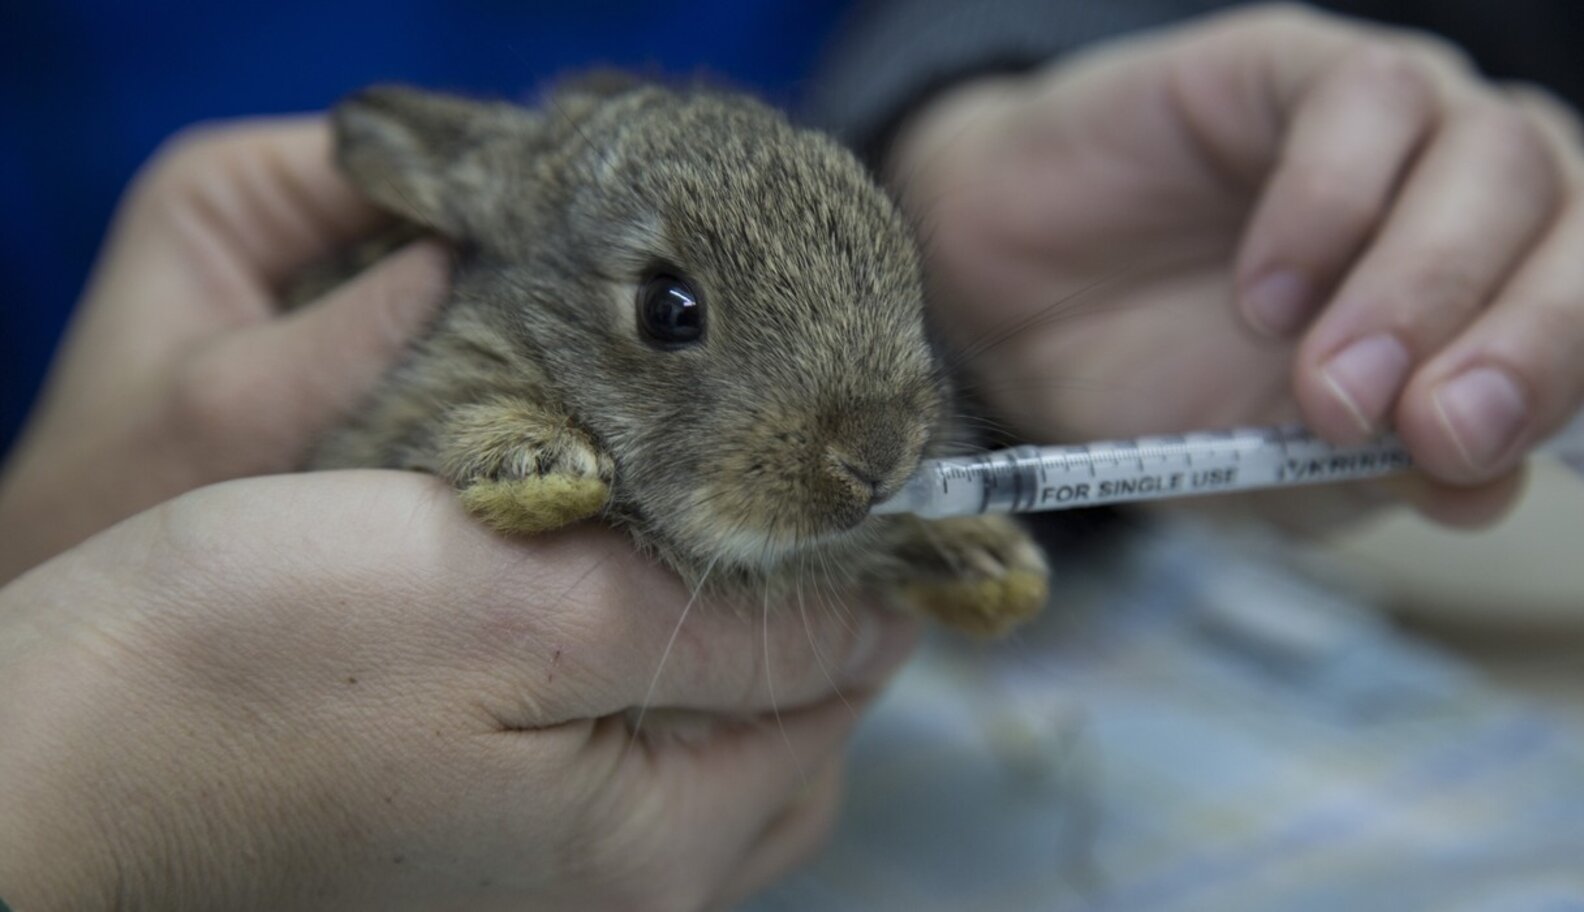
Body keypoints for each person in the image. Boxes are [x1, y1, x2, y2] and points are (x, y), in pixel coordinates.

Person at [2, 2, 1582, 908]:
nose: (877, 443)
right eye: (673, 311)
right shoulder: (478, 321)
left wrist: (960, 116)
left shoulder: (849, 384)